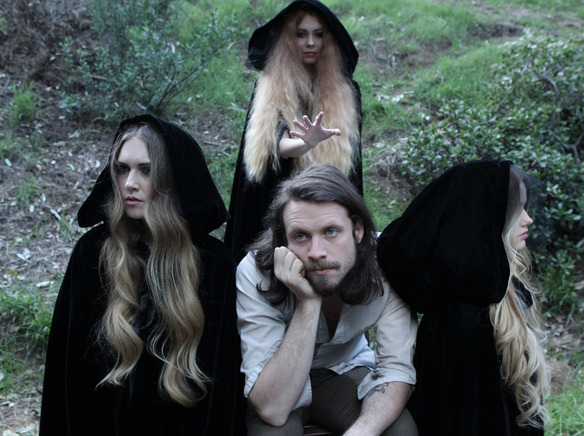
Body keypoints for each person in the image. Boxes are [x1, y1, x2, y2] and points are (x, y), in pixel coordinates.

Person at [40, 115, 246, 435]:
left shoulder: (213, 265)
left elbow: (224, 389)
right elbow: (64, 375)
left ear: (172, 178)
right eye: (122, 169)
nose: (129, 183)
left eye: (146, 170)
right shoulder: (92, 254)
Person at [236, 163, 417, 435]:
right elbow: (272, 409)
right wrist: (308, 303)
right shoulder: (255, 271)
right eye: (300, 236)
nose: (316, 252)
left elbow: (395, 369)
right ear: (283, 241)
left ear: (357, 230)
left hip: (343, 370)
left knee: (398, 429)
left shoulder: (387, 263)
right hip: (278, 377)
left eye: (331, 231)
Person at [377, 159, 550, 435]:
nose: (528, 219)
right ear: (485, 217)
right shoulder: (463, 318)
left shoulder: (505, 290)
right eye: (516, 209)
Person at [225, 0, 363, 262]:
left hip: (326, 196)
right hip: (276, 195)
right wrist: (305, 144)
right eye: (301, 34)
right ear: (289, 39)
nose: (310, 42)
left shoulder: (347, 92)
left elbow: (353, 171)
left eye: (318, 34)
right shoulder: (272, 85)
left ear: (328, 39)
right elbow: (279, 143)